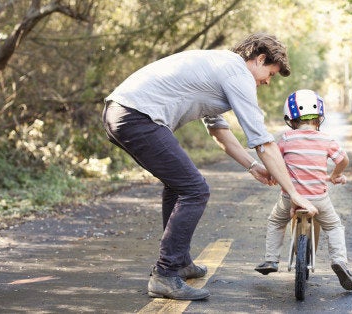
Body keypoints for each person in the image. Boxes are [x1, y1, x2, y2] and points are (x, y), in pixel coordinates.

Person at [101, 33, 318, 300]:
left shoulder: (219, 68)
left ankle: (178, 263)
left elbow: (219, 131)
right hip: (136, 116)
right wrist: (294, 192)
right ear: (260, 59)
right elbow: (263, 142)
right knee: (195, 190)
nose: (267, 82)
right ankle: (165, 274)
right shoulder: (237, 73)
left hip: (122, 112)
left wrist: (253, 167)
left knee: (179, 185)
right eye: (270, 74)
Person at [254, 89, 352, 291]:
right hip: (318, 198)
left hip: (290, 198)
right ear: (319, 118)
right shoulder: (326, 139)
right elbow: (343, 159)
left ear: (291, 119)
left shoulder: (285, 139)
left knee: (276, 221)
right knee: (334, 226)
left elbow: (275, 161)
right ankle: (339, 261)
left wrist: (273, 175)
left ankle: (271, 260)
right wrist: (335, 175)